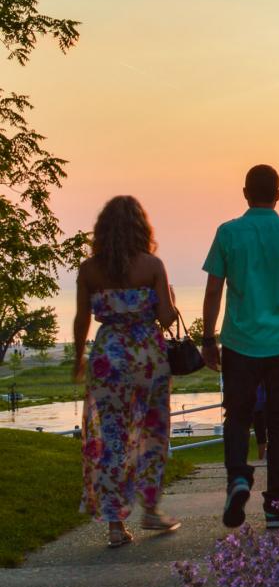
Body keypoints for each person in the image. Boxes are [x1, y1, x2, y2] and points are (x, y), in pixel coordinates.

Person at [201, 164, 279, 530]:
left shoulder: (227, 233)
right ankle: (276, 505)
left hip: (238, 342)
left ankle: (238, 477)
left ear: (245, 192)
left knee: (237, 415)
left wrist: (208, 338)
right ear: (278, 194)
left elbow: (213, 290)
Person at [74, 195, 181, 547]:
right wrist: (171, 300)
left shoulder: (89, 270)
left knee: (111, 439)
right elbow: (166, 317)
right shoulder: (152, 265)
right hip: (147, 358)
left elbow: (81, 320)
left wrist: (78, 358)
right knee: (152, 432)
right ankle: (150, 508)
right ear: (141, 227)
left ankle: (115, 526)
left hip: (108, 357)